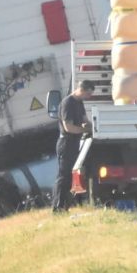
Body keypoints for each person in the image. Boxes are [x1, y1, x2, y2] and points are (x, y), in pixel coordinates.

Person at [52, 79, 95, 213]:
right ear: (81, 90)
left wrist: (92, 127)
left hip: (75, 142)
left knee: (70, 176)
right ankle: (57, 207)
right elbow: (68, 127)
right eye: (88, 94)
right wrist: (85, 130)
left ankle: (65, 205)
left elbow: (84, 120)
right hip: (66, 142)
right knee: (63, 176)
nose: (89, 97)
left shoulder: (79, 103)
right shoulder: (68, 103)